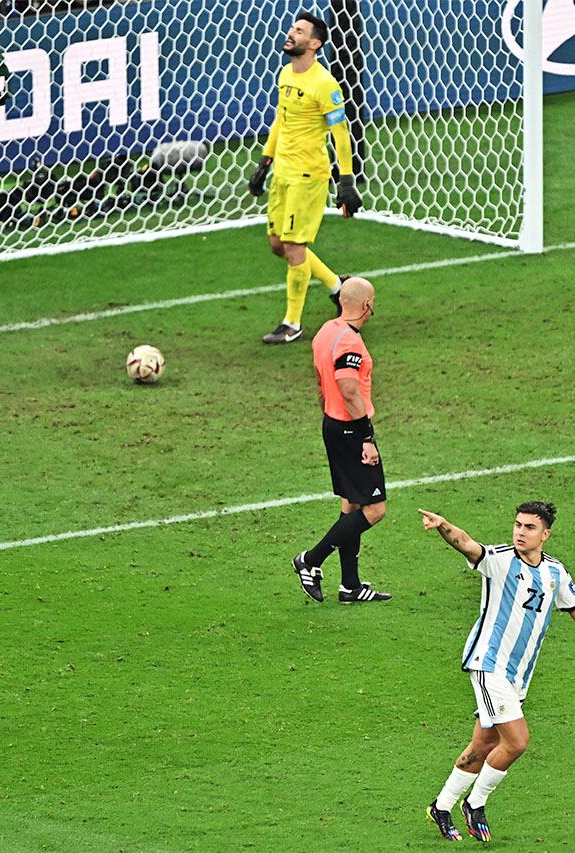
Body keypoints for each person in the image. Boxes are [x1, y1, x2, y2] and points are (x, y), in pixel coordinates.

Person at [417, 502, 575, 843]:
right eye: (518, 525)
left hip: (517, 674)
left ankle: (442, 806)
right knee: (518, 741)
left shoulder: (555, 572)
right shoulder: (501, 560)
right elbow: (467, 543)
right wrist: (444, 526)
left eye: (529, 527)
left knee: (485, 742)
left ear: (545, 534)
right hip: (488, 664)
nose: (520, 532)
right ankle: (475, 803)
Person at [248, 11, 363, 345]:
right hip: (282, 172)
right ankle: (338, 287)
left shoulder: (325, 84)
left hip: (308, 175)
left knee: (295, 247)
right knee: (277, 245)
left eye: (299, 31)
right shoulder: (286, 74)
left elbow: (340, 133)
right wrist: (264, 162)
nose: (291, 34)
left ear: (315, 43)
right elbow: (280, 121)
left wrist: (346, 180)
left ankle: (292, 323)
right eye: (291, 29)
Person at [291, 276, 390, 604]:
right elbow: (348, 388)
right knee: (374, 509)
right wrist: (366, 438)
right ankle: (311, 560)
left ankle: (350, 585)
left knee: (352, 503)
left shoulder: (325, 332)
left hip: (333, 424)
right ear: (367, 305)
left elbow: (321, 382)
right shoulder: (349, 341)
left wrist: (329, 414)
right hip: (351, 430)